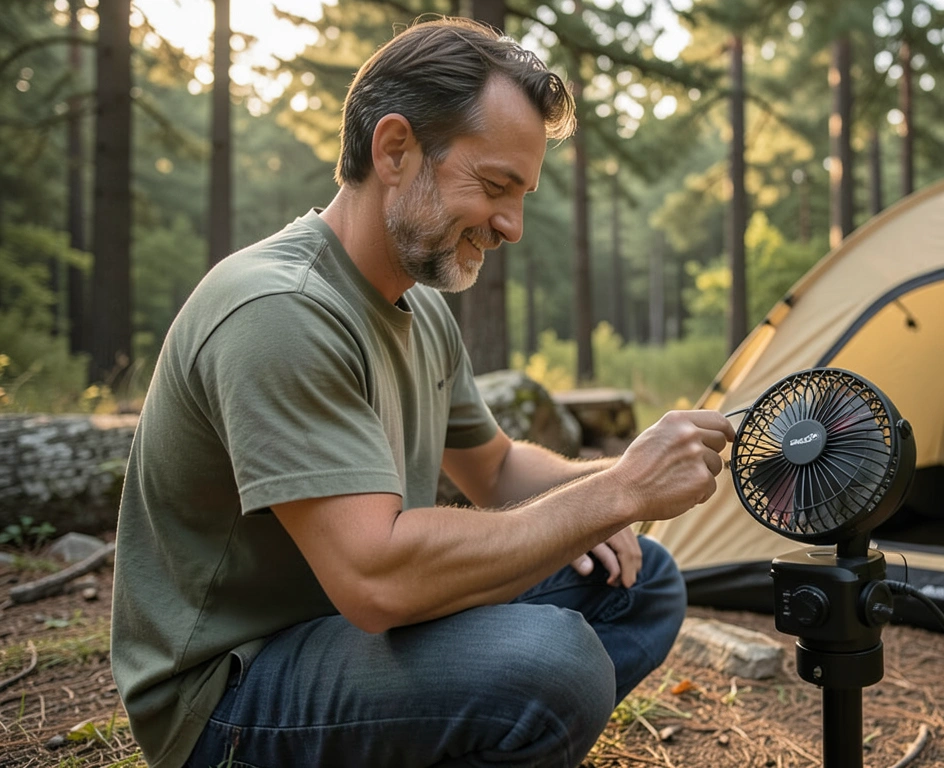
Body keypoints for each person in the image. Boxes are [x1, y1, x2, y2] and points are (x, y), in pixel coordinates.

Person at [109, 17, 735, 768]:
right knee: (553, 664)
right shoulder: (280, 310)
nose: (512, 225)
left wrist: (633, 471)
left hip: (347, 637)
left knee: (639, 582)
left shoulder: (421, 304)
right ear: (396, 149)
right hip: (231, 695)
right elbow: (376, 578)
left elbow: (496, 471)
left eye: (524, 194)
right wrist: (617, 494)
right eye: (497, 186)